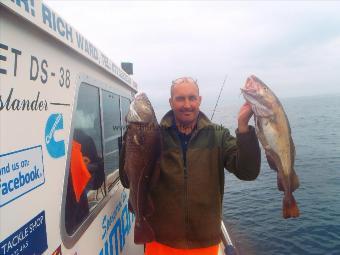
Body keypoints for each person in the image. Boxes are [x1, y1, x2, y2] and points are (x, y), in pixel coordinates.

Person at [134, 77, 260, 255]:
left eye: (192, 98)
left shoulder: (218, 136)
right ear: (170, 102)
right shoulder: (154, 136)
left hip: (205, 244)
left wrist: (243, 127)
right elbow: (128, 179)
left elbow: (248, 172)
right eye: (180, 98)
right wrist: (132, 139)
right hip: (160, 241)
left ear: (199, 100)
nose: (187, 104)